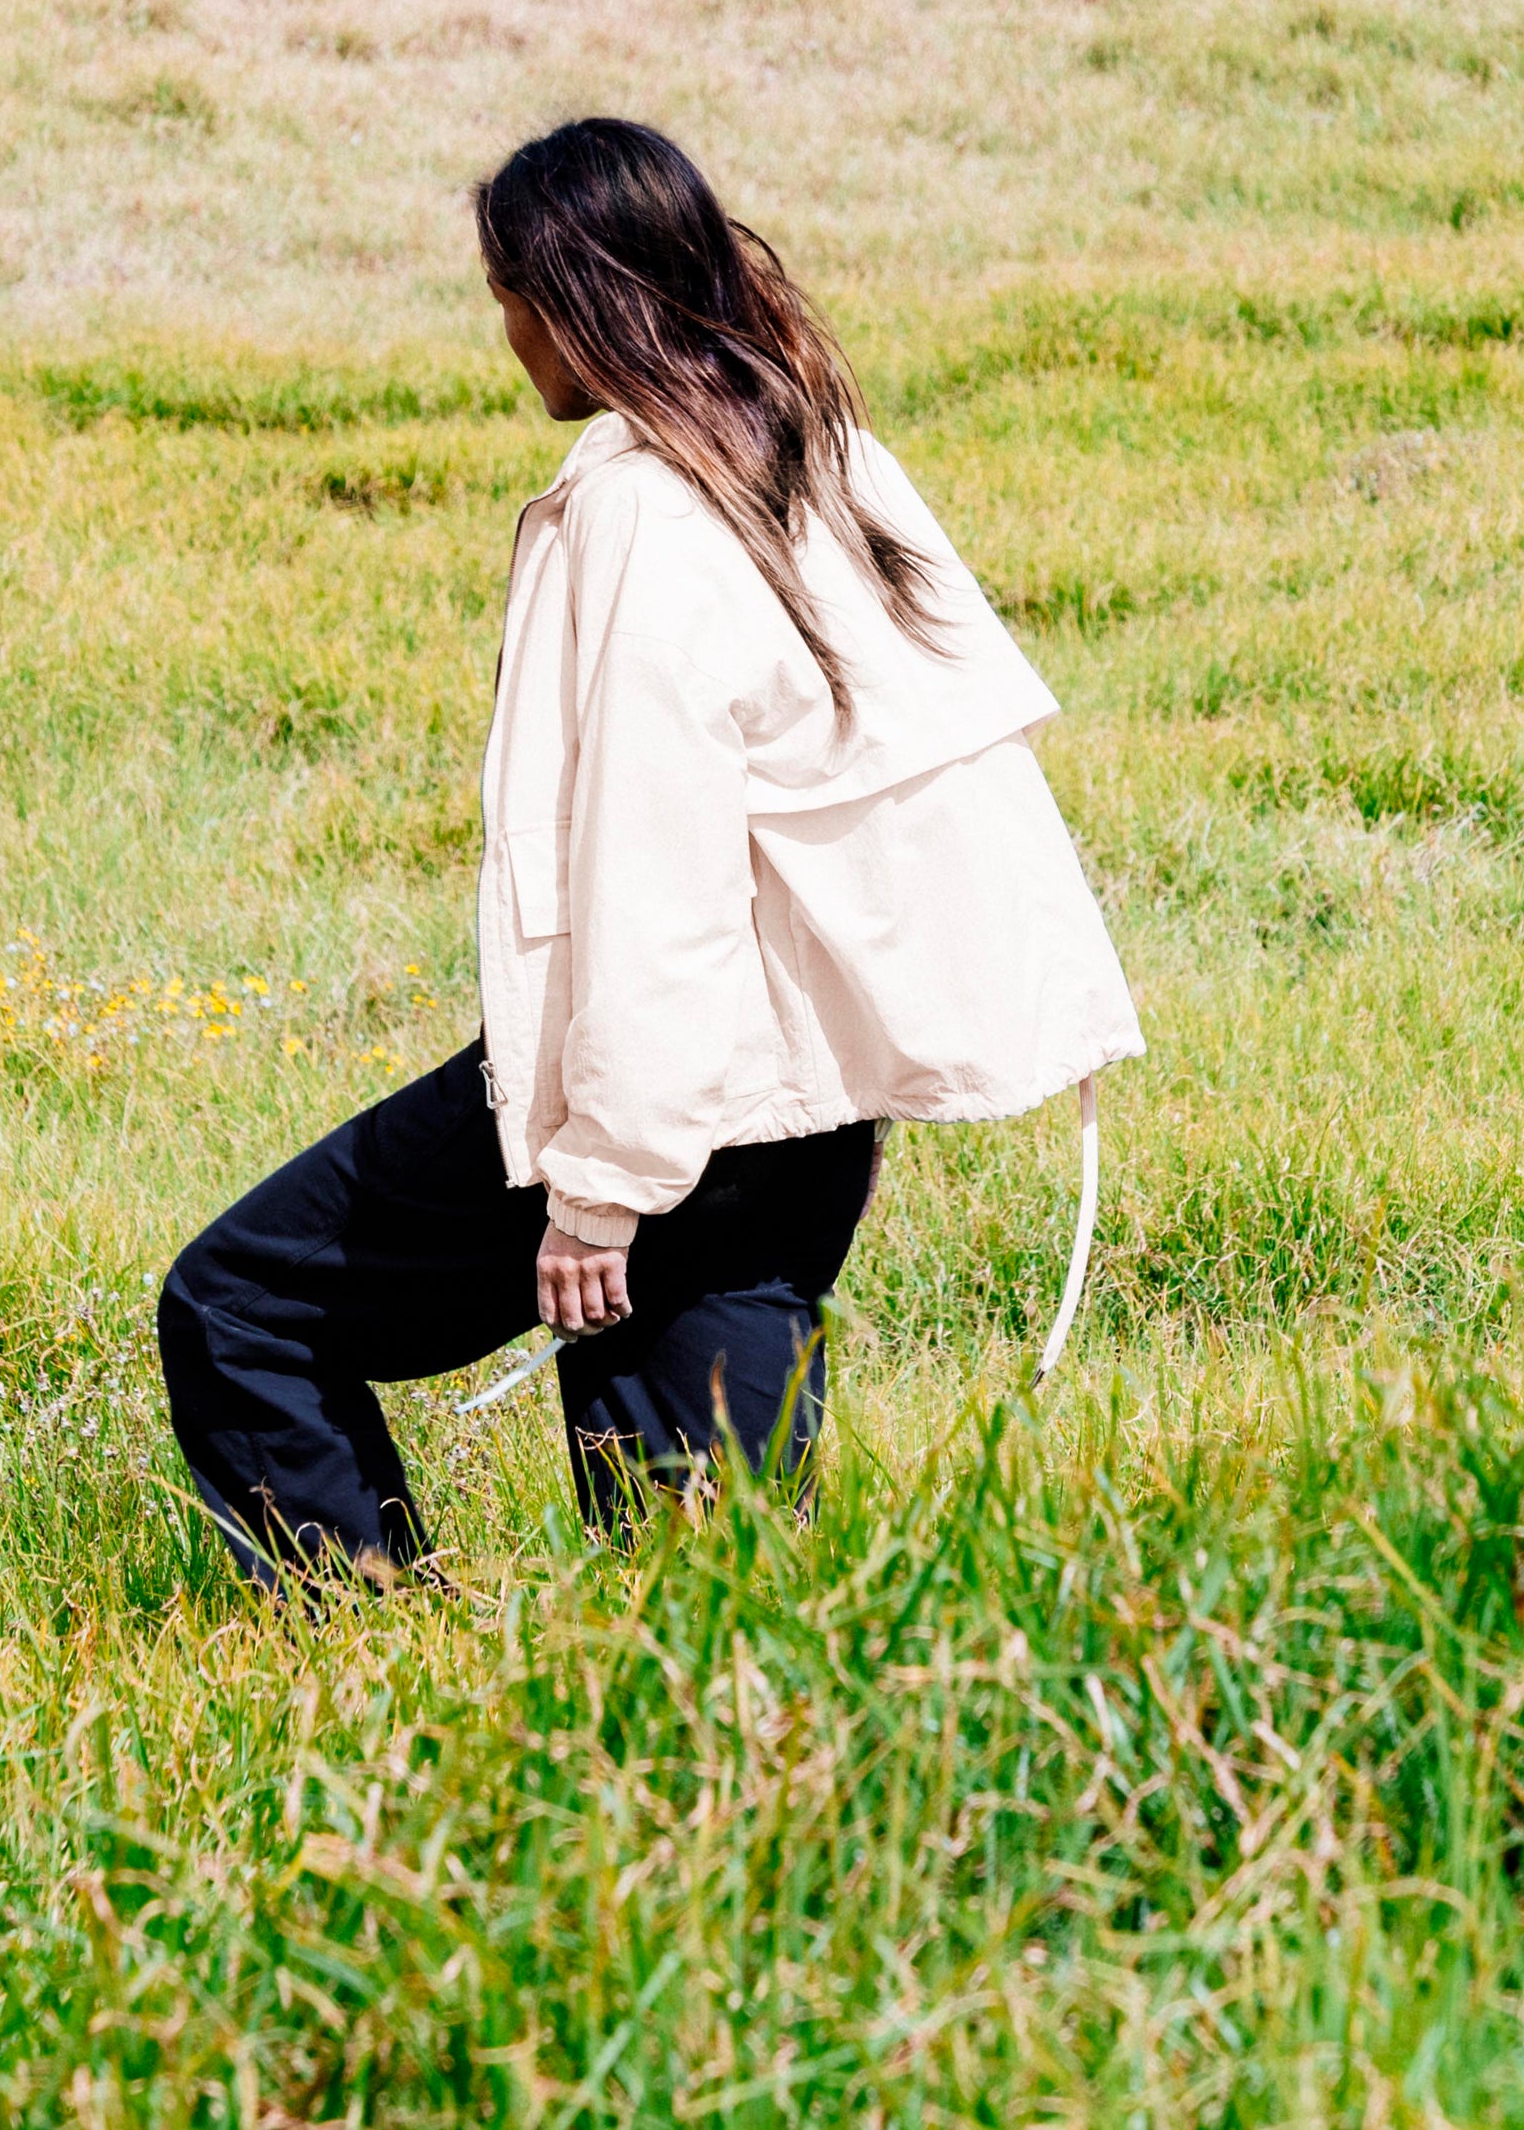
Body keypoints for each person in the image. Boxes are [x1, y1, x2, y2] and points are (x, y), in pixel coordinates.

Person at [157, 118, 1143, 1591]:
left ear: (568, 296)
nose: (505, 335)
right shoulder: (821, 451)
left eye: (507, 294)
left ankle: (370, 1659)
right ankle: (753, 1793)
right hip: (805, 1110)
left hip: (680, 1104)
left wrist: (604, 1179)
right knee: (709, 1585)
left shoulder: (637, 506)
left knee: (241, 1307)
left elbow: (652, 867)